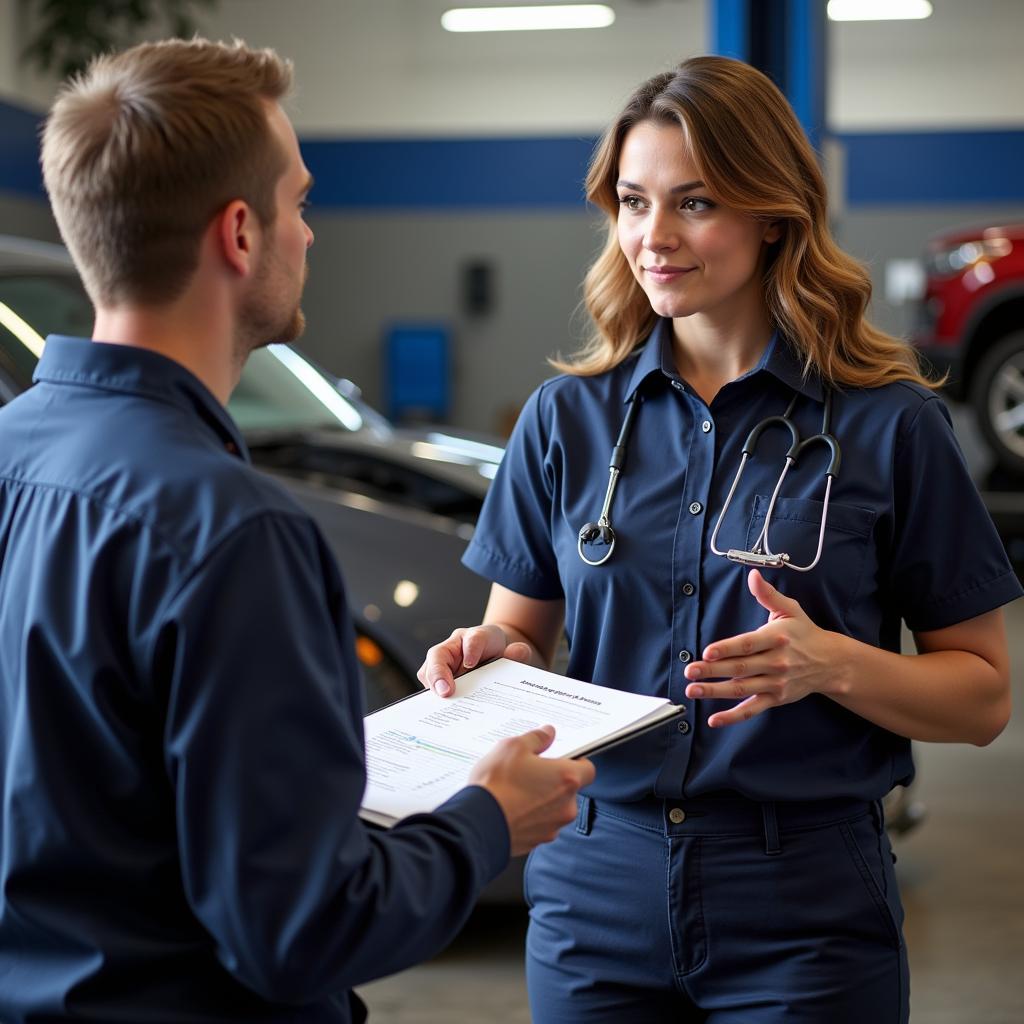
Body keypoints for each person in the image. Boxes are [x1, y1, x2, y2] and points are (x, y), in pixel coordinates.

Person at [0, 38, 595, 1024]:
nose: (308, 235)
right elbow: (299, 928)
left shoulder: (16, 450)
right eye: (301, 203)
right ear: (240, 233)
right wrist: (487, 821)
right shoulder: (233, 534)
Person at [419, 55, 1019, 1023]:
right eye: (631, 201)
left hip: (805, 906)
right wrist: (493, 656)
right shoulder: (564, 419)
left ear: (771, 212)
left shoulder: (888, 424)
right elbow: (521, 639)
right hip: (593, 889)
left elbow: (983, 695)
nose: (653, 237)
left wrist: (830, 665)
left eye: (693, 203)